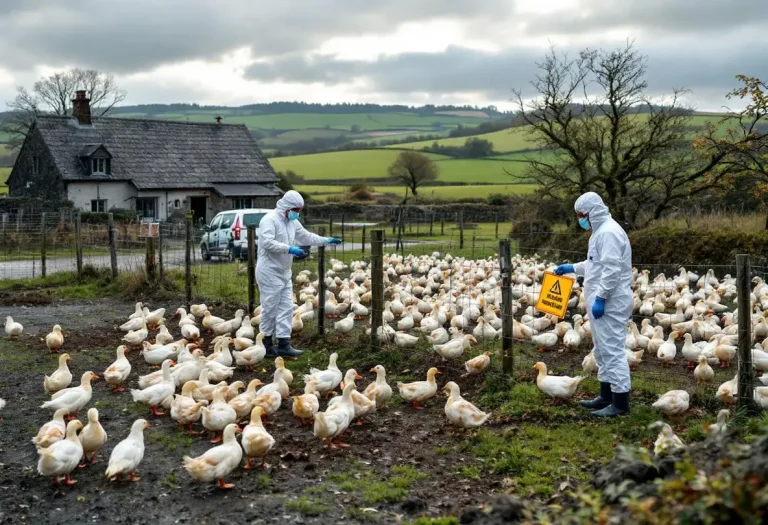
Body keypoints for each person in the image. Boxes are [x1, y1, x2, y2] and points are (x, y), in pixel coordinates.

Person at [554, 192, 633, 417]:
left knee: (612, 350)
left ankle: (620, 403)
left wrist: (601, 297)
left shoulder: (608, 233)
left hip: (611, 302)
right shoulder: (600, 232)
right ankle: (606, 396)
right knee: (602, 349)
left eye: (581, 215)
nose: (579, 219)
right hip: (603, 301)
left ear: (591, 212)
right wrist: (572, 268)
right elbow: (595, 265)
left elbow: (611, 269)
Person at [256, 190, 341, 357]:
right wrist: (290, 249)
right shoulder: (269, 220)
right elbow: (267, 243)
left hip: (284, 271)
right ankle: (266, 344)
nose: (297, 213)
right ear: (287, 207)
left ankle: (283, 344)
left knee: (287, 308)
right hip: (269, 271)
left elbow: (306, 236)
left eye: (299, 210)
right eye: (296, 210)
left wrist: (325, 240)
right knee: (270, 307)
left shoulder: (292, 222)